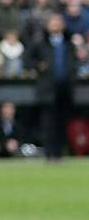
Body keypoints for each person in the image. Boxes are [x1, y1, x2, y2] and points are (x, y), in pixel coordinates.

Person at [29, 14, 76, 160]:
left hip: (65, 89)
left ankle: (59, 152)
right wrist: (38, 66)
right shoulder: (40, 43)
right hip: (47, 89)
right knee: (48, 123)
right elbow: (27, 60)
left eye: (58, 21)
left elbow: (74, 63)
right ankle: (49, 153)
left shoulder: (69, 44)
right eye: (52, 21)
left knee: (62, 123)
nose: (55, 24)